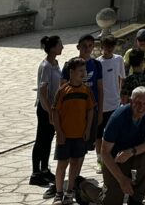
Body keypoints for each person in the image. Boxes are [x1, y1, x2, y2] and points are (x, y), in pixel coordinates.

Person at [100, 85, 145, 205]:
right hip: (114, 158)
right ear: (131, 101)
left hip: (133, 153)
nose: (141, 107)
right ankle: (83, 188)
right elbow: (104, 152)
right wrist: (122, 179)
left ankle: (136, 199)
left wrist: (131, 152)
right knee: (112, 201)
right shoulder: (118, 117)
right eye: (138, 103)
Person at [51, 57, 97, 204]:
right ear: (71, 72)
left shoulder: (86, 90)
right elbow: (55, 112)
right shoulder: (63, 90)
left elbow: (90, 110)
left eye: (85, 70)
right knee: (62, 164)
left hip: (80, 134)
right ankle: (59, 193)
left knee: (75, 163)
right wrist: (59, 132)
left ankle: (70, 191)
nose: (83, 73)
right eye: (80, 71)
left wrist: (88, 129)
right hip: (65, 135)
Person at [31, 35, 62, 190]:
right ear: (52, 48)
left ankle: (45, 169)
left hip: (53, 108)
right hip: (45, 109)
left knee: (48, 140)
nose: (62, 47)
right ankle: (35, 174)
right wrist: (49, 112)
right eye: (59, 45)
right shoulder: (45, 66)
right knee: (41, 140)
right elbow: (43, 93)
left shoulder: (55, 63)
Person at [64, 34, 103, 153]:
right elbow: (63, 88)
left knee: (86, 145)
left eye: (90, 46)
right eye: (84, 46)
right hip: (74, 109)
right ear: (78, 47)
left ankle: (77, 171)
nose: (87, 49)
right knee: (72, 143)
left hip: (91, 109)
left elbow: (100, 89)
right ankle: (72, 171)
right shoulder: (70, 64)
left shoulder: (97, 65)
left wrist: (100, 112)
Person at [96, 36, 125, 166]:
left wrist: (120, 95)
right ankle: (99, 159)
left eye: (111, 46)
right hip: (101, 104)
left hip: (114, 102)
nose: (108, 49)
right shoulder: (97, 62)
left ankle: (112, 157)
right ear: (101, 47)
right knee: (98, 135)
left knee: (113, 133)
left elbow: (122, 78)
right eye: (106, 46)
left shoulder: (118, 59)